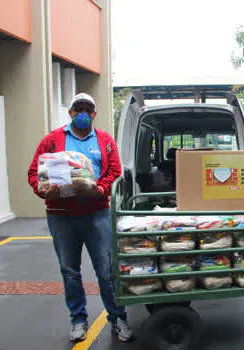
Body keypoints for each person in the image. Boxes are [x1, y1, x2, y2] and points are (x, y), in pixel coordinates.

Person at [27, 93, 133, 343]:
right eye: (78, 108)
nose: (83, 113)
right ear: (71, 112)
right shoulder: (53, 140)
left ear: (94, 114)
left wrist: (100, 188)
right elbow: (35, 172)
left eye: (88, 109)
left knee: (107, 270)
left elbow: (114, 171)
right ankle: (78, 319)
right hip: (61, 215)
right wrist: (42, 188)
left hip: (97, 213)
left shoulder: (104, 140)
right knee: (70, 271)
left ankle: (117, 317)